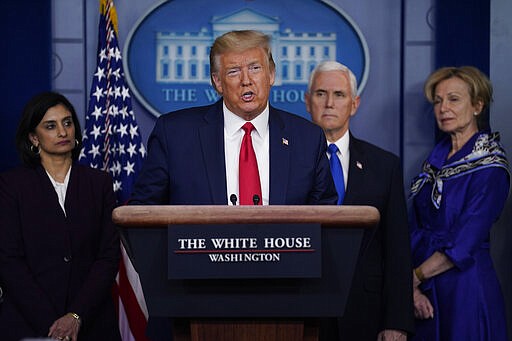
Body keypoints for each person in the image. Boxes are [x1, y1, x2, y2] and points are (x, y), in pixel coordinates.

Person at [130, 30, 337, 206]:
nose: (246, 80)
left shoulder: (307, 139)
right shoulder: (174, 135)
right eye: (234, 71)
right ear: (218, 82)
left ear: (271, 75)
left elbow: (327, 221)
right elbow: (143, 213)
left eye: (255, 68)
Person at [305, 61, 415, 340]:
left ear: (354, 104)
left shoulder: (384, 165)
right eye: (320, 94)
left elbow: (397, 248)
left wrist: (397, 321)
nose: (329, 103)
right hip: (303, 311)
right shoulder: (282, 163)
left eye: (339, 95)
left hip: (366, 312)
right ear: (307, 102)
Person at [0, 92, 121, 341]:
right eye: (51, 126)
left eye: (67, 123)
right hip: (30, 324)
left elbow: (107, 257)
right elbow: (10, 261)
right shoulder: (11, 186)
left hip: (92, 323)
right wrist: (53, 325)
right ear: (34, 138)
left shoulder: (98, 183)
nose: (63, 132)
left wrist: (75, 316)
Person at [409, 66, 510, 340]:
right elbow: (414, 228)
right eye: (438, 101)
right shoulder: (434, 161)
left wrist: (414, 277)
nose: (443, 108)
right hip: (425, 292)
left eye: (453, 99)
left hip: (465, 288)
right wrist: (413, 289)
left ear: (477, 105)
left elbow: (465, 241)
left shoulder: (491, 167)